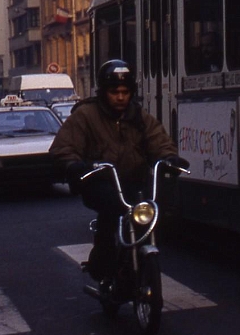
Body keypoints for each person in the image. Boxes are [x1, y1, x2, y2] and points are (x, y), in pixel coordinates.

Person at [50, 60, 187, 283]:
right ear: (104, 92)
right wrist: (73, 164)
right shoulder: (86, 115)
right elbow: (64, 146)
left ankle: (142, 259)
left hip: (134, 181)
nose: (121, 97)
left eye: (125, 92)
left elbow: (158, 140)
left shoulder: (139, 116)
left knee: (152, 210)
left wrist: (168, 157)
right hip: (99, 181)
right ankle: (102, 262)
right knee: (110, 212)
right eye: (115, 92)